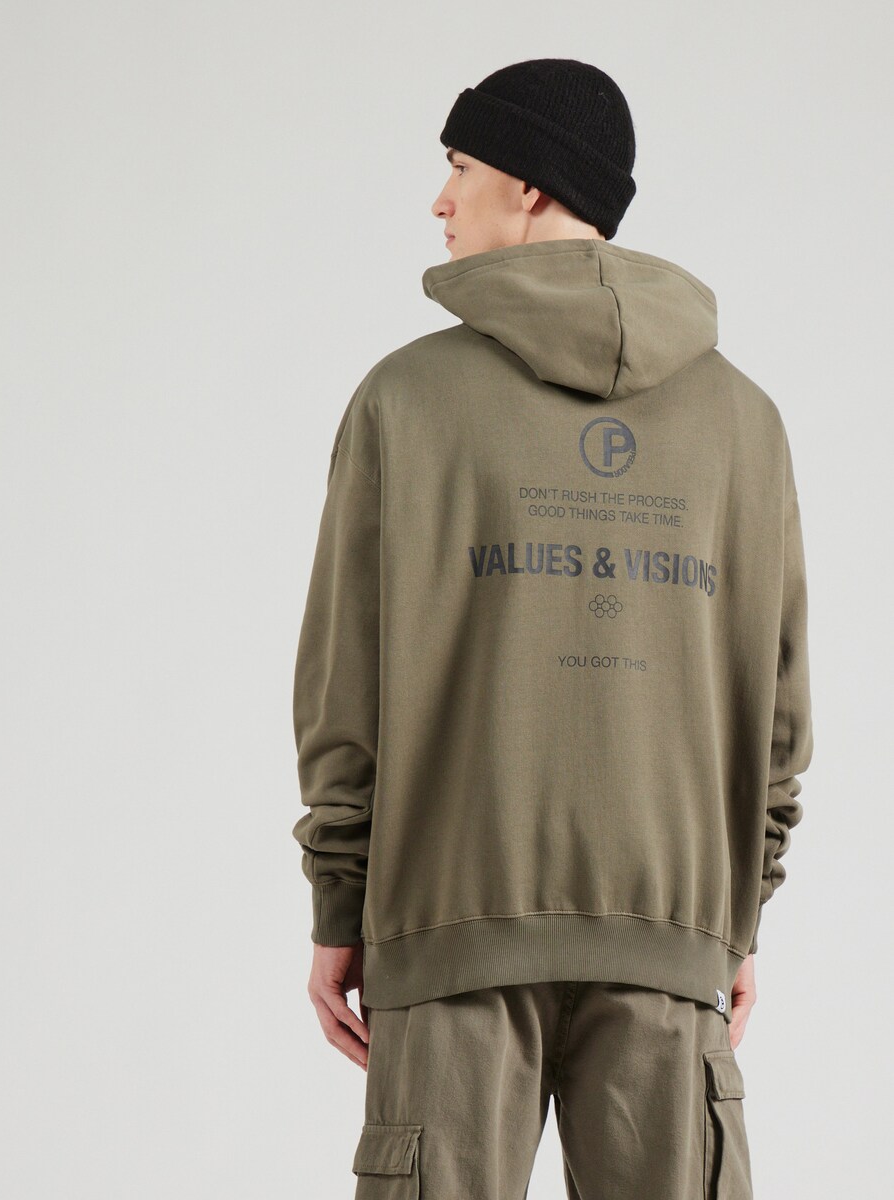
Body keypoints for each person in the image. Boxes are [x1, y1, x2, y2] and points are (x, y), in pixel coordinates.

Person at [291, 57, 813, 1199]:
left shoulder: (404, 401)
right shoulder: (746, 422)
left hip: (448, 926)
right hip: (672, 930)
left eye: (460, 166)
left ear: (528, 186)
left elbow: (345, 687)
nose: (440, 200)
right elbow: (778, 712)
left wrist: (341, 902)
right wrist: (731, 918)